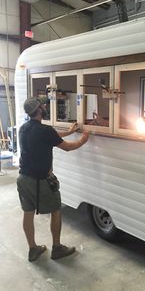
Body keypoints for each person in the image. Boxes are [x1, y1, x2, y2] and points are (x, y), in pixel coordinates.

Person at [17, 97, 89, 262]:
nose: (44, 107)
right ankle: (57, 248)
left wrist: (70, 131)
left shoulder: (24, 128)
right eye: (42, 105)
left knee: (28, 213)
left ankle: (33, 249)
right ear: (40, 110)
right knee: (56, 210)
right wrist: (82, 140)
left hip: (23, 178)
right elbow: (68, 147)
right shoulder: (45, 130)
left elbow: (51, 135)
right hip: (40, 181)